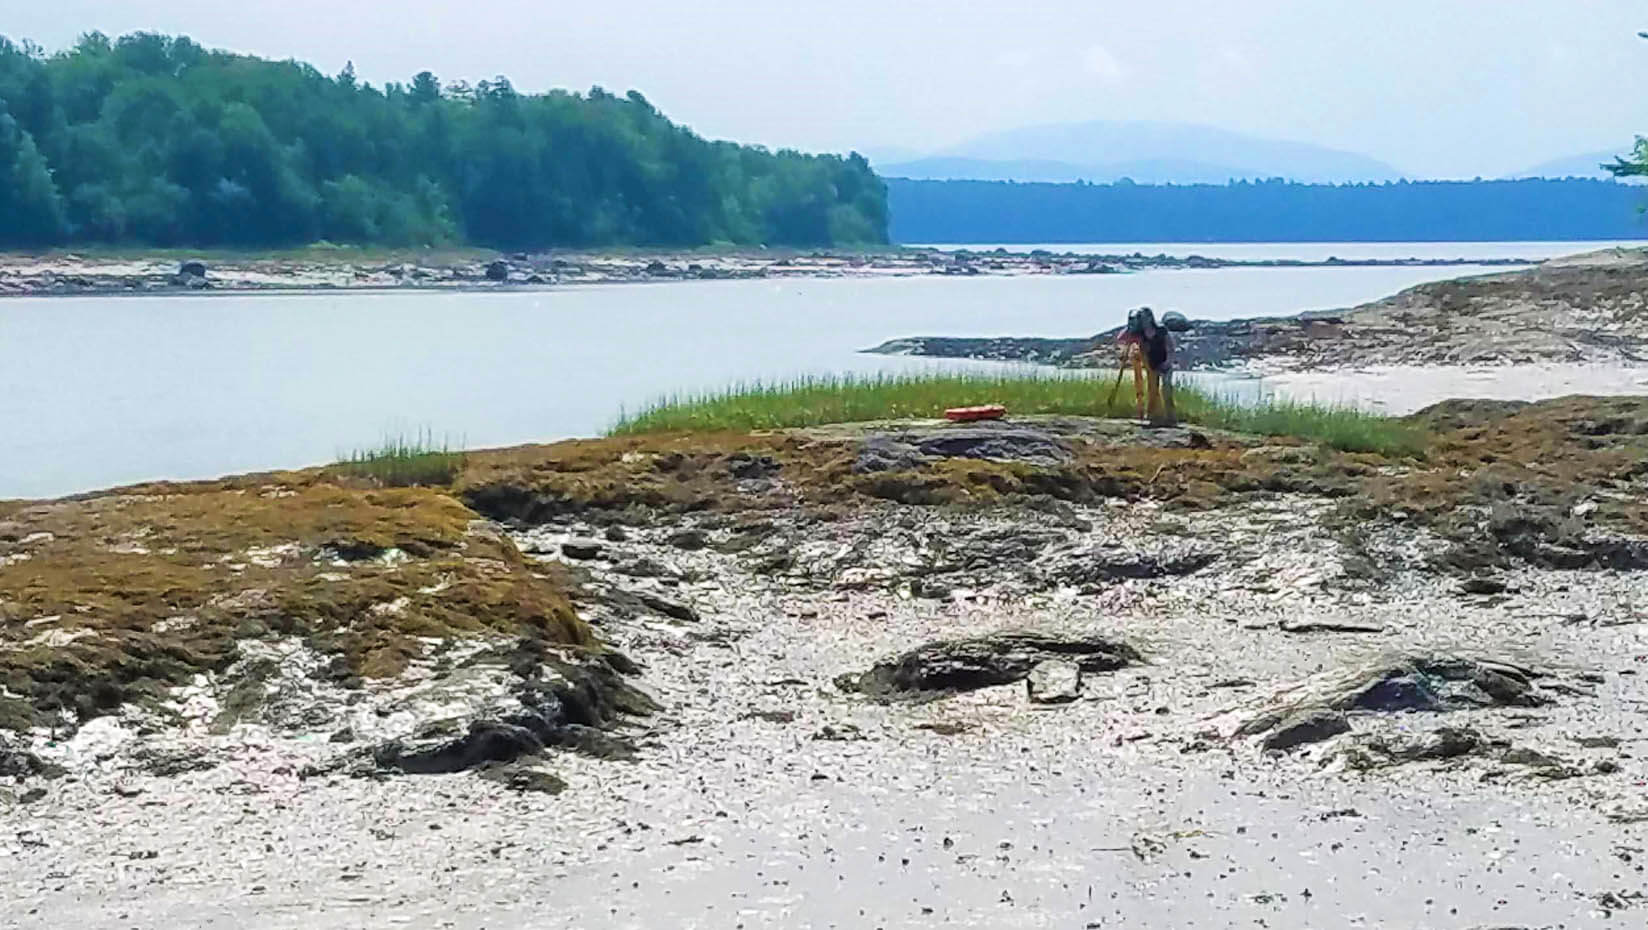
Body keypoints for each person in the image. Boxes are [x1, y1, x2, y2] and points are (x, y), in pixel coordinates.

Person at [1140, 310, 1177, 426]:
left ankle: (1171, 417)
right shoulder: (1142, 334)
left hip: (1165, 363)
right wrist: (1147, 365)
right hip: (1152, 365)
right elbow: (1142, 350)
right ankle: (1152, 416)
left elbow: (1170, 346)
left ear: (1151, 317)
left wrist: (1168, 362)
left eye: (1145, 317)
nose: (1144, 320)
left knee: (1166, 390)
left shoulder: (1161, 330)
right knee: (1152, 390)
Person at [1113, 308, 1148, 418]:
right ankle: (1140, 407)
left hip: (1146, 354)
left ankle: (1149, 408)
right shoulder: (1128, 331)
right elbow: (1121, 339)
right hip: (1136, 356)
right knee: (1139, 381)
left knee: (1151, 381)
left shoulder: (1145, 330)